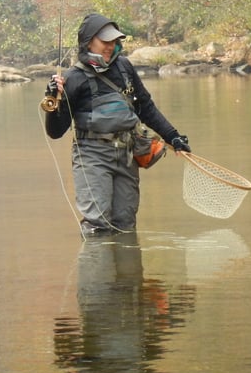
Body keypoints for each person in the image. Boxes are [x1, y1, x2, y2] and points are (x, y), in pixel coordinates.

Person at [44, 13, 190, 236]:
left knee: (125, 225)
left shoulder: (124, 67)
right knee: (98, 225)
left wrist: (173, 137)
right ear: (88, 41)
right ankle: (97, 266)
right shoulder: (74, 78)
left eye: (113, 41)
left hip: (127, 154)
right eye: (105, 41)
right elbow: (55, 131)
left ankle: (127, 270)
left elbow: (145, 107)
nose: (110, 46)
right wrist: (54, 102)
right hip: (92, 156)